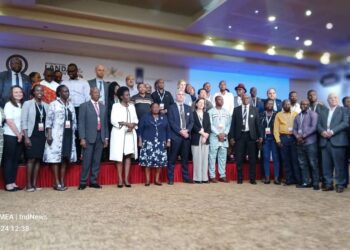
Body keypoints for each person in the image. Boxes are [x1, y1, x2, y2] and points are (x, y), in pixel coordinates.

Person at [43, 85, 77, 191]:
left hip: (68, 136)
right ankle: (56, 182)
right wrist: (49, 136)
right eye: (64, 91)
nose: (67, 93)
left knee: (64, 159)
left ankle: (62, 181)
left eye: (68, 91)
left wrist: (74, 134)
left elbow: (74, 121)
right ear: (59, 93)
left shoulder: (71, 105)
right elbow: (48, 121)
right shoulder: (53, 104)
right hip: (56, 135)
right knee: (55, 159)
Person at [317, 93, 349, 193]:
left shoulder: (344, 110)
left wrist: (332, 131)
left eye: (335, 97)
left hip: (338, 141)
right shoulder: (323, 111)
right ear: (328, 100)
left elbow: (345, 123)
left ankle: (340, 184)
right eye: (330, 98)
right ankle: (328, 184)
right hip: (325, 141)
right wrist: (322, 131)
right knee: (326, 165)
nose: (333, 99)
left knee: (339, 165)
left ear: (338, 99)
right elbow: (318, 124)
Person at [78, 88, 109, 190]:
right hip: (88, 137)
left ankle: (93, 181)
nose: (97, 94)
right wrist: (82, 138)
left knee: (96, 161)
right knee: (86, 161)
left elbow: (105, 124)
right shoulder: (84, 106)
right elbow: (81, 123)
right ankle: (83, 182)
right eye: (95, 92)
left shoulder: (103, 107)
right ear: (90, 94)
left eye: (98, 93)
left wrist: (106, 138)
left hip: (100, 137)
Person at [21, 85, 49, 192]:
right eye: (37, 90)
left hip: (42, 136)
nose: (40, 92)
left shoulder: (46, 105)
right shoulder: (27, 104)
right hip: (32, 135)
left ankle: (35, 184)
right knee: (31, 159)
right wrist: (26, 137)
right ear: (33, 92)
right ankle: (28, 185)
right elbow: (23, 121)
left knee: (38, 159)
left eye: (41, 90)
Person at [110, 86, 138, 188]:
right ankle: (120, 179)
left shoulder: (132, 106)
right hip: (119, 134)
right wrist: (127, 124)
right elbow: (113, 120)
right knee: (119, 157)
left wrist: (132, 125)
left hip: (130, 134)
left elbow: (136, 120)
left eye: (129, 94)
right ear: (121, 97)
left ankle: (126, 179)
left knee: (128, 156)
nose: (128, 96)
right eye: (126, 95)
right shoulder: (115, 106)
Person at [230, 94, 262, 184]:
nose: (246, 99)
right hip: (239, 136)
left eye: (247, 98)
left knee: (252, 159)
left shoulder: (255, 110)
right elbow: (233, 125)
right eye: (244, 98)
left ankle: (252, 178)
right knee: (239, 158)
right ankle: (240, 178)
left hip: (251, 137)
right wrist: (232, 137)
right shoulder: (236, 110)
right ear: (241, 99)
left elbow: (257, 125)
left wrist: (260, 136)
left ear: (250, 99)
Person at [61, 63, 90, 162]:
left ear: (77, 71)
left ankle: (79, 157)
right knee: (69, 131)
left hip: (81, 109)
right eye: (69, 71)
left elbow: (87, 98)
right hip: (68, 109)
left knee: (79, 132)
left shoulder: (84, 82)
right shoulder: (64, 83)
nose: (71, 73)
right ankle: (68, 156)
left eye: (73, 71)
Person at [138, 103, 170, 186]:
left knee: (159, 162)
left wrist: (168, 140)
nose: (155, 108)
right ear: (150, 108)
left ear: (159, 108)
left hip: (160, 142)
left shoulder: (164, 117)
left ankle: (157, 179)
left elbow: (167, 129)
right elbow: (140, 129)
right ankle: (147, 180)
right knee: (147, 162)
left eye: (157, 107)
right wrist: (140, 140)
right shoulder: (145, 117)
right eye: (153, 107)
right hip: (148, 142)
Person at [167, 90, 194, 185]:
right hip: (175, 136)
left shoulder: (188, 108)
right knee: (172, 158)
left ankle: (186, 178)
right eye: (179, 94)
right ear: (176, 96)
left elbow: (191, 122)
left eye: (182, 95)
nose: (181, 96)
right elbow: (171, 122)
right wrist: (180, 131)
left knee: (185, 159)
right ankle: (170, 178)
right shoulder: (171, 108)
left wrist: (187, 131)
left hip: (186, 137)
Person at [293, 100, 319, 190]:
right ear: (300, 105)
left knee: (313, 163)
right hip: (300, 143)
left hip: (310, 143)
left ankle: (316, 183)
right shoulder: (297, 116)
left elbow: (314, 127)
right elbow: (294, 129)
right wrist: (297, 136)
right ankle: (306, 182)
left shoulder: (313, 114)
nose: (304, 105)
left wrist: (303, 136)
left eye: (306, 104)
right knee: (302, 163)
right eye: (303, 104)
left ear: (308, 105)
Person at [2, 86, 24, 191]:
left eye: (20, 92)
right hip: (10, 135)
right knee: (9, 160)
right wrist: (18, 134)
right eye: (16, 92)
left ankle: (13, 182)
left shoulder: (21, 105)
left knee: (15, 160)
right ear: (11, 94)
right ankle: (8, 184)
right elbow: (9, 121)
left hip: (19, 136)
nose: (18, 94)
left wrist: (21, 134)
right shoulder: (8, 104)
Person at [274, 99, 300, 185]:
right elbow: (276, 129)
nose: (287, 106)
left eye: (288, 104)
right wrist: (278, 141)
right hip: (283, 138)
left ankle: (297, 179)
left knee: (295, 160)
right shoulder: (278, 115)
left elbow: (299, 127)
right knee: (286, 160)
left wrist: (298, 138)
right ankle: (289, 179)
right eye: (285, 104)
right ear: (282, 106)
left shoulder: (296, 114)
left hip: (293, 138)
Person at [208, 96, 231, 182]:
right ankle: (212, 176)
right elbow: (210, 125)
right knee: (212, 157)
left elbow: (229, 124)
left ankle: (222, 175)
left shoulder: (226, 112)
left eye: (222, 100)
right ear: (215, 101)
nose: (221, 101)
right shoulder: (210, 112)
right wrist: (218, 134)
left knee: (222, 157)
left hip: (224, 137)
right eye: (219, 99)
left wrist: (224, 133)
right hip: (214, 137)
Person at [260, 99, 280, 184]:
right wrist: (260, 137)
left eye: (272, 104)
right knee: (266, 158)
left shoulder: (277, 114)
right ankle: (267, 177)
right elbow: (260, 127)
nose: (270, 105)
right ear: (265, 105)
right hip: (265, 140)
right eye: (268, 104)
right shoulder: (261, 114)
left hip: (274, 139)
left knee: (276, 158)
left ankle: (276, 178)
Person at [191, 98, 211, 183]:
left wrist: (205, 135)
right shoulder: (192, 114)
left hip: (205, 138)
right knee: (197, 158)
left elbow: (209, 126)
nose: (201, 104)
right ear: (196, 104)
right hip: (196, 138)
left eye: (203, 103)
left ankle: (204, 178)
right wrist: (202, 133)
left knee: (205, 159)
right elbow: (192, 125)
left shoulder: (206, 114)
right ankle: (197, 178)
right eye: (200, 102)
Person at [342, 96, 350, 188]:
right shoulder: (341, 112)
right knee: (343, 162)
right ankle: (344, 181)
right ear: (344, 103)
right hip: (344, 140)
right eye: (348, 101)